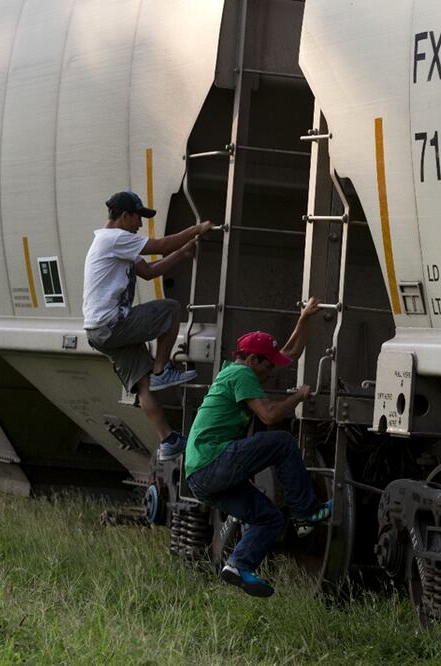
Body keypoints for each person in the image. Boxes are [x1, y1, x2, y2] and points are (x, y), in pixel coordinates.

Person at [185, 299, 333, 597]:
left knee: (269, 517)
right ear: (252, 359)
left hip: (200, 478)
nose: (270, 372)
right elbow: (269, 415)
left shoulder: (239, 371)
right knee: (280, 441)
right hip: (213, 461)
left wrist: (304, 318)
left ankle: (239, 565)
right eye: (267, 365)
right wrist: (299, 397)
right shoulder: (242, 375)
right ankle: (306, 513)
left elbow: (289, 354)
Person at [83, 190, 215, 461]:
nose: (140, 225)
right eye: (138, 218)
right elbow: (161, 245)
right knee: (170, 309)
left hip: (98, 331)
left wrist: (182, 253)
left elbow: (150, 272)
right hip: (113, 324)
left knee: (143, 385)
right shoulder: (114, 238)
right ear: (124, 216)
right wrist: (196, 229)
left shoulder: (114, 243)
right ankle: (163, 368)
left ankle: (168, 441)